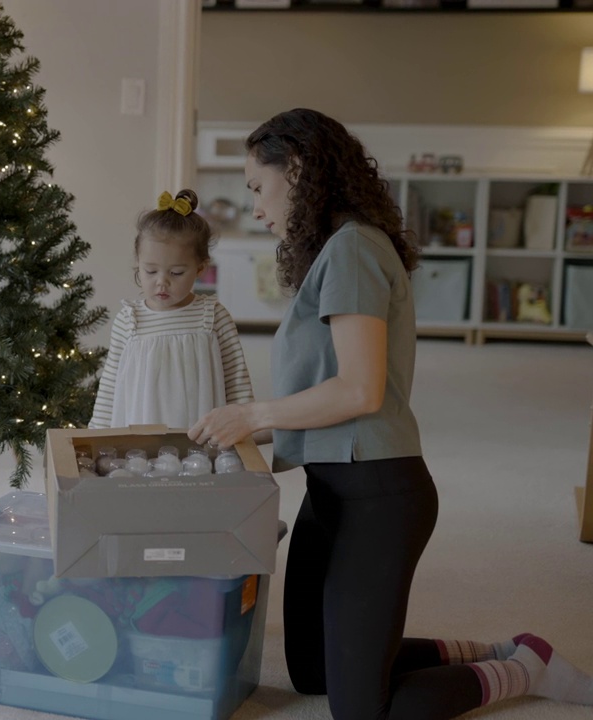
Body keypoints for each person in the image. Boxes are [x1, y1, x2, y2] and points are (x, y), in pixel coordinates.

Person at [187, 107, 593, 719]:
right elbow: (326, 398)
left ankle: (520, 670)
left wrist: (253, 413)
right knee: (311, 669)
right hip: (334, 488)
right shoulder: (335, 248)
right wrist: (232, 429)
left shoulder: (351, 250)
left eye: (256, 187)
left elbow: (358, 392)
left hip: (378, 497)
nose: (256, 207)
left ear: (295, 170)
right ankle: (492, 650)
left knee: (361, 712)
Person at [89, 188, 260, 433]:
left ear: (200, 268)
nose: (162, 282)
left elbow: (236, 381)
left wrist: (246, 426)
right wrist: (96, 435)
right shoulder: (130, 320)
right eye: (150, 271)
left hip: (199, 442)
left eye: (176, 273)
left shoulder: (212, 316)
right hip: (138, 442)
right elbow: (109, 387)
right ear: (138, 262)